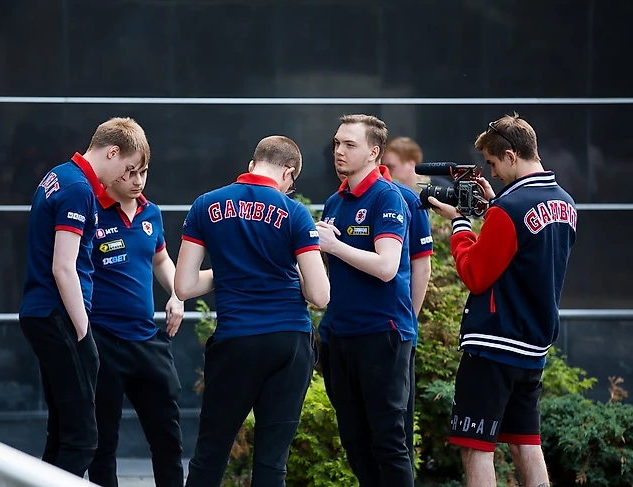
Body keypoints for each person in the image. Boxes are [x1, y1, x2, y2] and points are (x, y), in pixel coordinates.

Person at [427, 113, 577, 487]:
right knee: (526, 444)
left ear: (511, 155)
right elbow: (527, 254)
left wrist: (460, 223)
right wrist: (493, 207)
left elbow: (475, 275)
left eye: (493, 163)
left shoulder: (509, 209)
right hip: (533, 346)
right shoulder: (565, 203)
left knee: (475, 447)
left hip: (494, 344)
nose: (492, 173)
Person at [174, 135, 330, 487]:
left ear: (252, 164)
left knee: (210, 455)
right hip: (288, 342)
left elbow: (184, 286)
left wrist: (233, 270)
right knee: (272, 463)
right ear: (288, 173)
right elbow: (320, 296)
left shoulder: (205, 205)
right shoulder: (295, 213)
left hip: (236, 340)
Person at [18, 117, 150, 477]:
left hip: (43, 313)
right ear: (112, 152)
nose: (125, 178)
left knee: (63, 433)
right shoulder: (79, 189)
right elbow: (64, 267)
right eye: (128, 168)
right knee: (82, 439)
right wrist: (83, 331)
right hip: (57, 315)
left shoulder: (59, 175)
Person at [319, 147, 433, 474]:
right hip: (338, 333)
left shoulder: (400, 199)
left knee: (390, 441)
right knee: (354, 441)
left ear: (373, 152)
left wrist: (407, 323)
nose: (339, 152)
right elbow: (330, 269)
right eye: (336, 144)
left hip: (386, 333)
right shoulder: (334, 202)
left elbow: (418, 267)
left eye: (349, 145)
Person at [87, 164, 185, 487]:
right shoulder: (91, 209)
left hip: (146, 340)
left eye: (143, 172)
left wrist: (177, 294)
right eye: (129, 173)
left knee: (168, 439)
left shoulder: (151, 212)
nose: (138, 180)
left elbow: (160, 259)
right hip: (103, 340)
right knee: (103, 445)